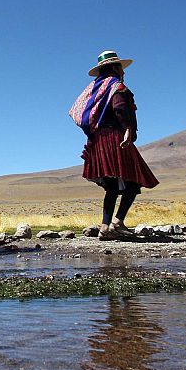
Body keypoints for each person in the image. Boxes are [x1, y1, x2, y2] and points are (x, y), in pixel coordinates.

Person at [70, 51, 159, 241]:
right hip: (115, 137)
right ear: (113, 68)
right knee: (133, 181)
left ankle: (105, 226)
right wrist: (128, 128)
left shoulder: (94, 88)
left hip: (97, 139)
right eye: (120, 67)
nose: (123, 71)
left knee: (112, 186)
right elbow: (119, 107)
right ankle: (117, 223)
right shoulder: (116, 86)